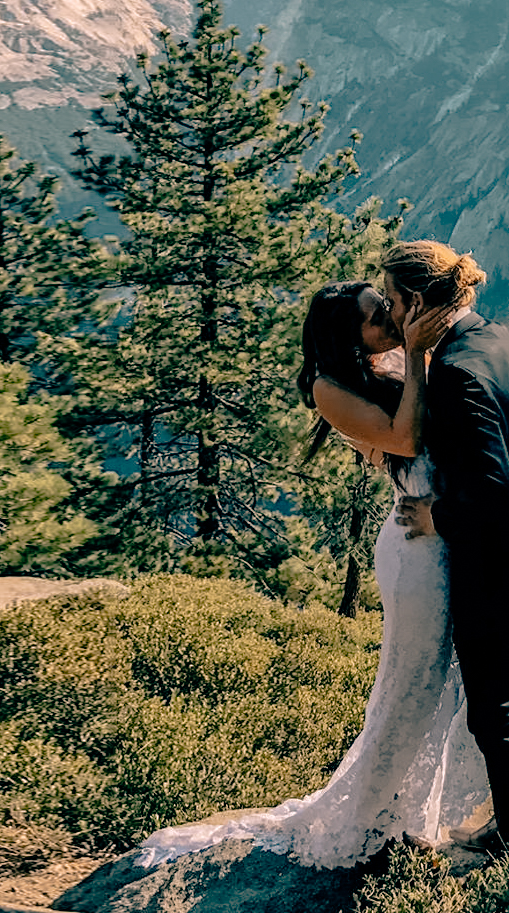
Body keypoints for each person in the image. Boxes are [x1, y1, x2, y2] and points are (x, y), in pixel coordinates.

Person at [110, 278, 484, 871]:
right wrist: (415, 353)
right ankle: (369, 820)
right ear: (344, 334)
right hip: (416, 549)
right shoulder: (329, 388)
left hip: (445, 534)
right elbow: (407, 437)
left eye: (386, 306)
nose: (387, 318)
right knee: (411, 682)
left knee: (443, 683)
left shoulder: (388, 361)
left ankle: (415, 814)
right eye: (373, 316)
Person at [377, 239, 509, 858]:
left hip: (498, 566)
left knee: (493, 712)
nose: (389, 315)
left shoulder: (455, 371)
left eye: (392, 302)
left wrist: (435, 514)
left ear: (417, 300)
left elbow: (490, 494)